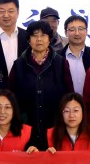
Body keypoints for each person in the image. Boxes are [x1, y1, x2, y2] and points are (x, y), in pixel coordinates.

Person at [7, 20, 70, 149]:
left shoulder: (61, 63)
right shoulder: (19, 64)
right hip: (26, 128)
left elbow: (69, 96)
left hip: (55, 127)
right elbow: (10, 97)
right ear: (29, 40)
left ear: (49, 39)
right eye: (35, 35)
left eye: (43, 35)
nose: (39, 39)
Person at [60, 14, 90, 94]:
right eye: (72, 29)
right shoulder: (57, 57)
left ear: (86, 31)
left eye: (81, 29)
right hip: (65, 101)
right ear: (66, 32)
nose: (77, 33)